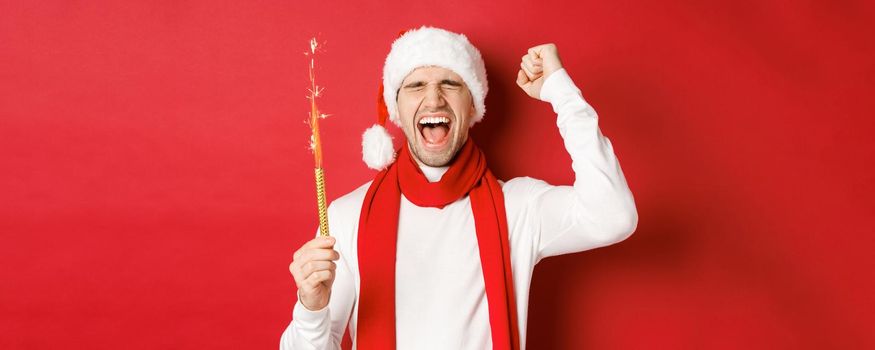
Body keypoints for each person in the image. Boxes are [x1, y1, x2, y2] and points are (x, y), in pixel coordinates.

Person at [280, 26, 638, 350]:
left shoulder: (519, 207)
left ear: (472, 107)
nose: (434, 99)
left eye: (451, 84)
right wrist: (311, 308)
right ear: (397, 108)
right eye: (416, 85)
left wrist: (561, 92)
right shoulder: (347, 216)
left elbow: (614, 216)